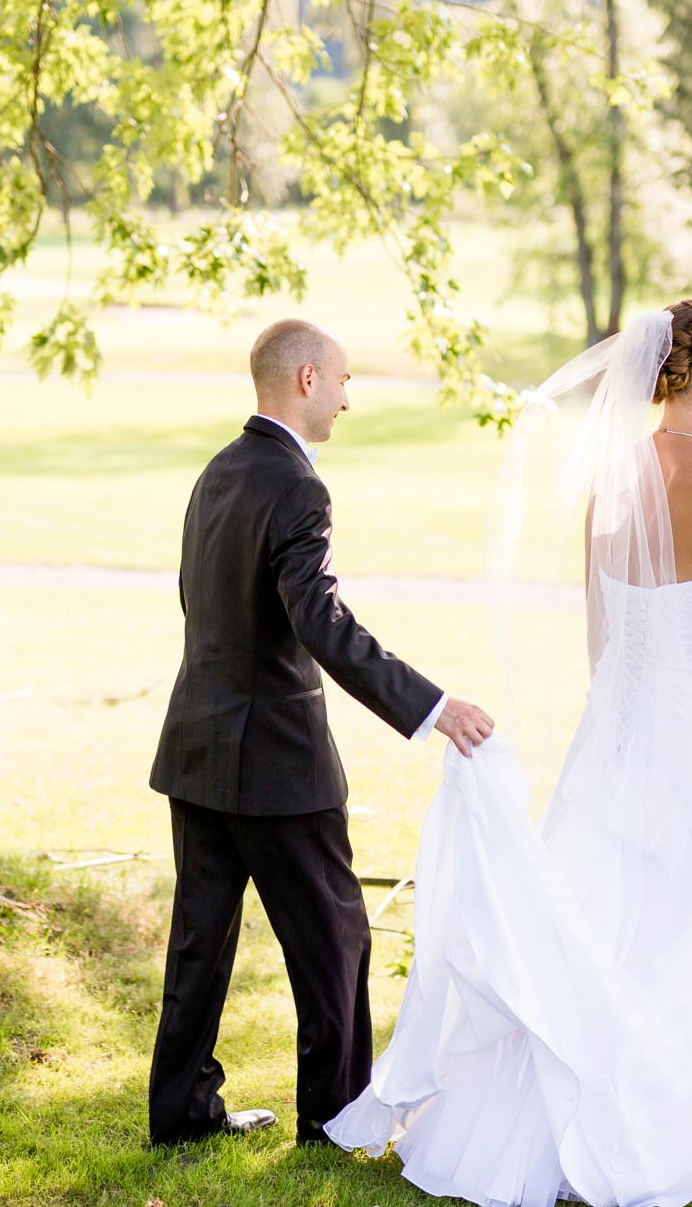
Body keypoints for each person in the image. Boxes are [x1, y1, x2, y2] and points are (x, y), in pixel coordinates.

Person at [325, 301, 692, 1205]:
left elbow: (603, 644)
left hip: (612, 743)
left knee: (597, 926)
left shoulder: (611, 485)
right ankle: (678, 1118)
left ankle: (537, 1118)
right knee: (691, 931)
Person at [146, 318, 496, 1147]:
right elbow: (323, 622)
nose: (348, 397)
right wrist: (433, 706)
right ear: (306, 380)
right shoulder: (299, 487)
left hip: (196, 746)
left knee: (200, 946)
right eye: (342, 381)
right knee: (336, 943)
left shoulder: (217, 471)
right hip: (275, 761)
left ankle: (182, 1115)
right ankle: (336, 1121)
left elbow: (199, 599)